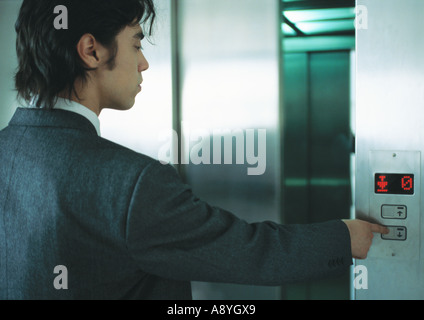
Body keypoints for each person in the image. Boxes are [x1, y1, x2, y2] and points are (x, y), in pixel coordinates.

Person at [0, 0, 388, 300]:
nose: (144, 63)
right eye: (136, 44)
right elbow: (246, 251)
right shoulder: (133, 184)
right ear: (91, 50)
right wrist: (344, 238)